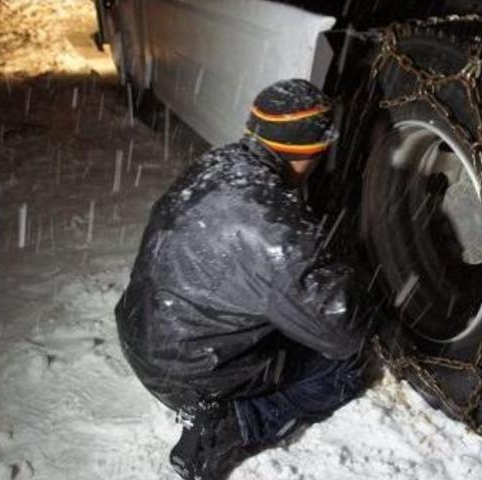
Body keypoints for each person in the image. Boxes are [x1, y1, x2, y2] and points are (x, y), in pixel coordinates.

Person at [114, 79, 374, 480]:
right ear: (314, 151)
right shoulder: (275, 228)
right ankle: (231, 424)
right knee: (345, 367)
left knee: (283, 314)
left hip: (141, 333)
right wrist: (348, 273)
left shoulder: (217, 164)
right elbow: (343, 333)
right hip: (192, 373)